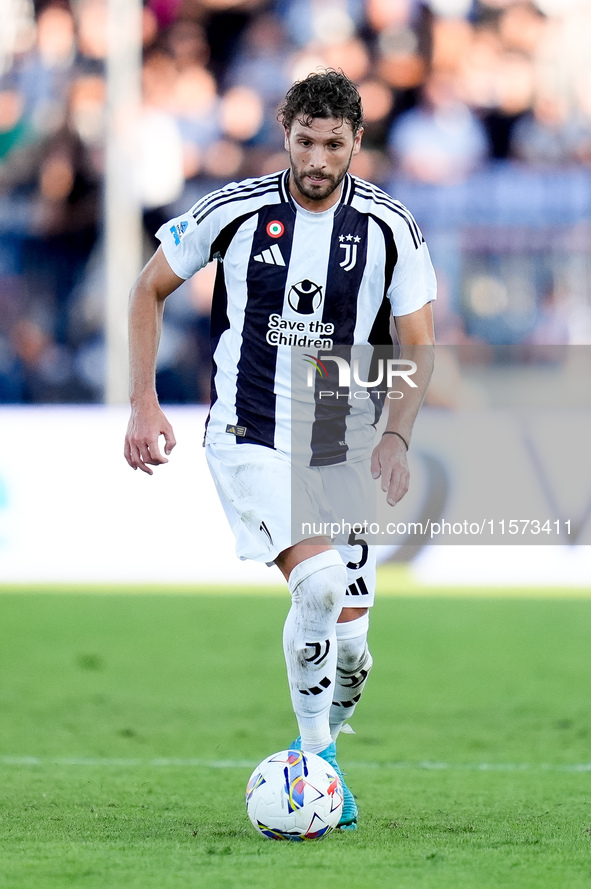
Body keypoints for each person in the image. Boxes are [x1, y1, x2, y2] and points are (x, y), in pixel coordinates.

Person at [124, 70, 436, 830]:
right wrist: (143, 400)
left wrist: (395, 435)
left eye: (334, 143)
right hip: (249, 434)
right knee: (320, 588)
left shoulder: (392, 227)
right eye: (305, 140)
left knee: (354, 649)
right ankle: (315, 762)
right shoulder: (233, 210)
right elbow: (147, 288)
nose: (319, 157)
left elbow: (418, 343)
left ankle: (326, 738)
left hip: (342, 441)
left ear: (357, 141)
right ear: (284, 132)